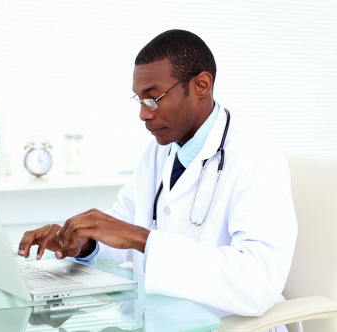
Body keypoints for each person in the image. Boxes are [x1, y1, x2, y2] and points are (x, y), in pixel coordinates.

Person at [19, 29, 298, 318]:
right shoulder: (160, 150)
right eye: (139, 100)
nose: (144, 114)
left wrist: (140, 238)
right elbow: (123, 226)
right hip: (156, 317)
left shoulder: (257, 158)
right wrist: (84, 242)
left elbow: (256, 282)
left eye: (153, 99)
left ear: (201, 85)